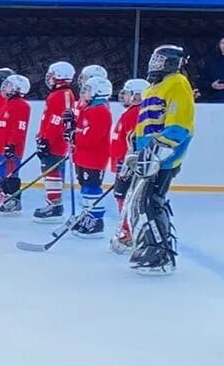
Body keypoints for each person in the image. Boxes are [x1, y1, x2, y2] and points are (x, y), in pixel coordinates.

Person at [129, 45, 195, 274]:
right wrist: (136, 141)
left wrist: (159, 146)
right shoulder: (152, 88)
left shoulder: (177, 83)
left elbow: (180, 125)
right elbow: (148, 121)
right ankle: (149, 243)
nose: (154, 64)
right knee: (143, 202)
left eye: (160, 61)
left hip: (163, 158)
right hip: (148, 157)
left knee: (151, 201)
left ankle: (160, 252)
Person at [70, 75, 114, 236]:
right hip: (82, 156)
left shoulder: (101, 111)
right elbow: (80, 130)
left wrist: (74, 136)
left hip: (94, 158)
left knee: (92, 187)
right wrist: (70, 129)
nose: (84, 93)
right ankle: (87, 215)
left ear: (98, 92)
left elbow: (91, 137)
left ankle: (96, 220)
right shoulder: (87, 109)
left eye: (88, 90)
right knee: (84, 186)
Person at [32, 60, 75, 221]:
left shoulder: (63, 94)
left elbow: (60, 119)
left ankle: (55, 205)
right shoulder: (56, 94)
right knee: (48, 170)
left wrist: (47, 139)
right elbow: (49, 119)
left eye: (51, 75)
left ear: (60, 77)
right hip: (49, 140)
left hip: (55, 142)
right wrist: (41, 137)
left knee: (52, 171)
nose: (48, 78)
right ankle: (52, 202)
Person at [109, 78, 147, 252]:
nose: (124, 95)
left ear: (138, 95)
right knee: (122, 197)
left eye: (128, 92)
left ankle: (129, 233)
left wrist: (126, 164)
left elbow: (133, 142)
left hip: (127, 165)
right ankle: (129, 232)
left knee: (125, 198)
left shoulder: (135, 113)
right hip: (124, 164)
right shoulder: (132, 112)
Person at [0, 73, 30, 214]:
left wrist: (11, 144)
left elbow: (19, 128)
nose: (5, 88)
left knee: (11, 174)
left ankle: (14, 200)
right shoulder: (6, 102)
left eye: (9, 86)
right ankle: (3, 195)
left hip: (10, 148)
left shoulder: (22, 105)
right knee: (1, 173)